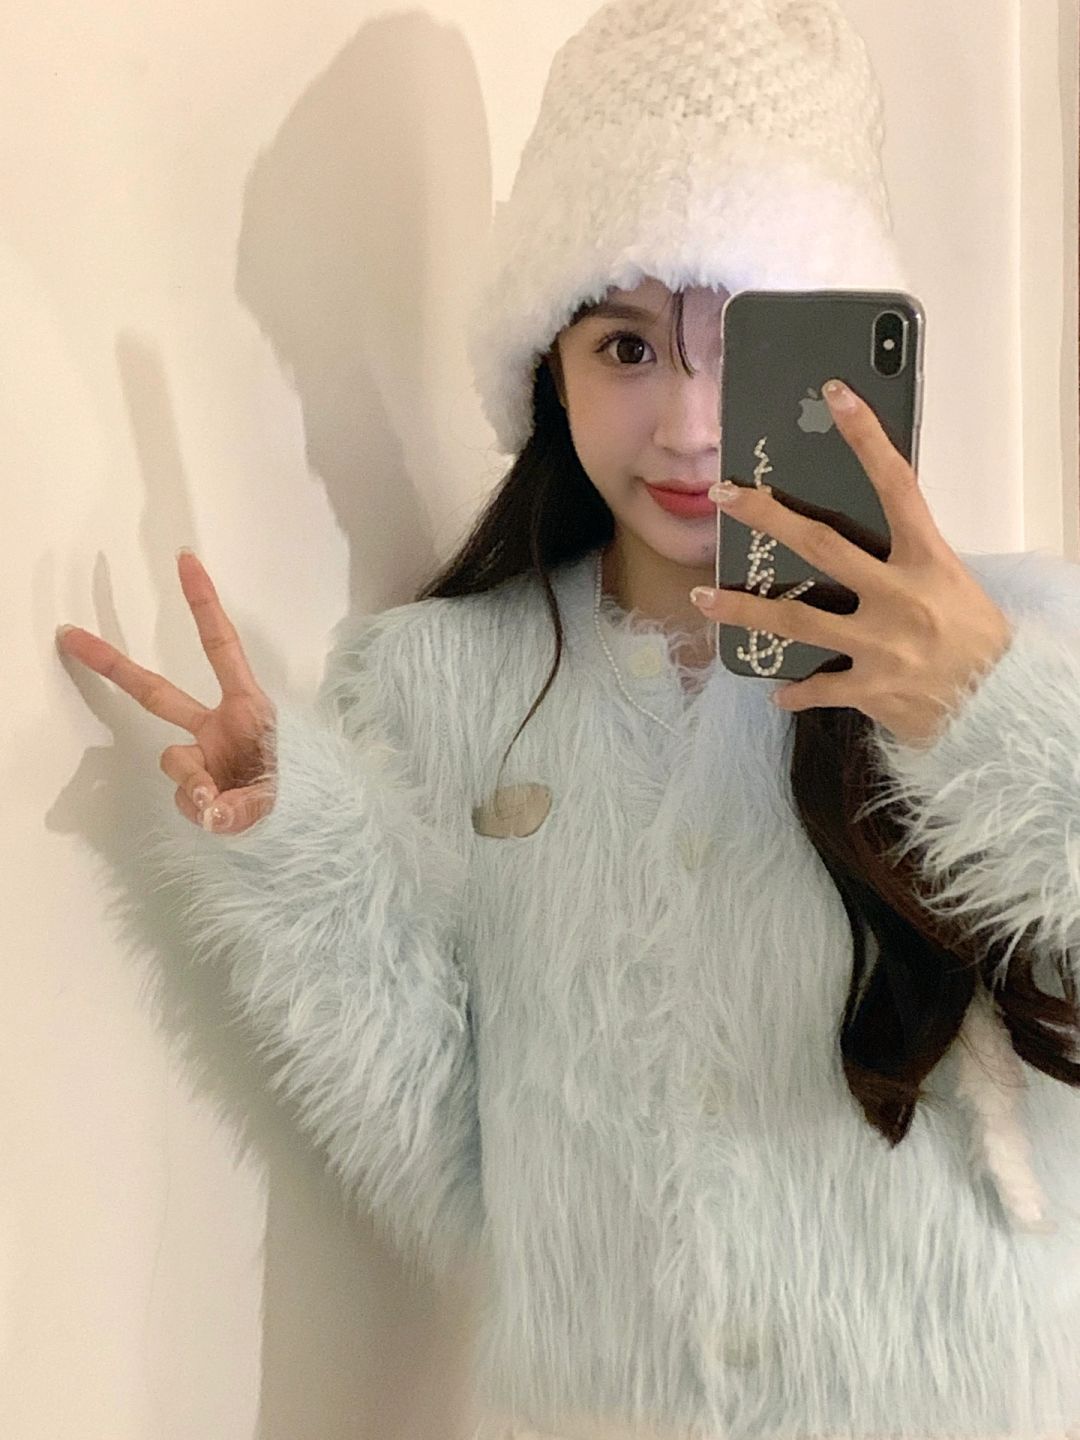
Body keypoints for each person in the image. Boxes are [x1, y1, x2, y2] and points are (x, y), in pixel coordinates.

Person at [55, 1, 1080, 1437]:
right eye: (626, 347)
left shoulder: (1022, 638)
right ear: (548, 360)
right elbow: (456, 1167)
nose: (690, 426)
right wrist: (292, 841)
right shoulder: (442, 681)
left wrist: (985, 713)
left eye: (746, 345)